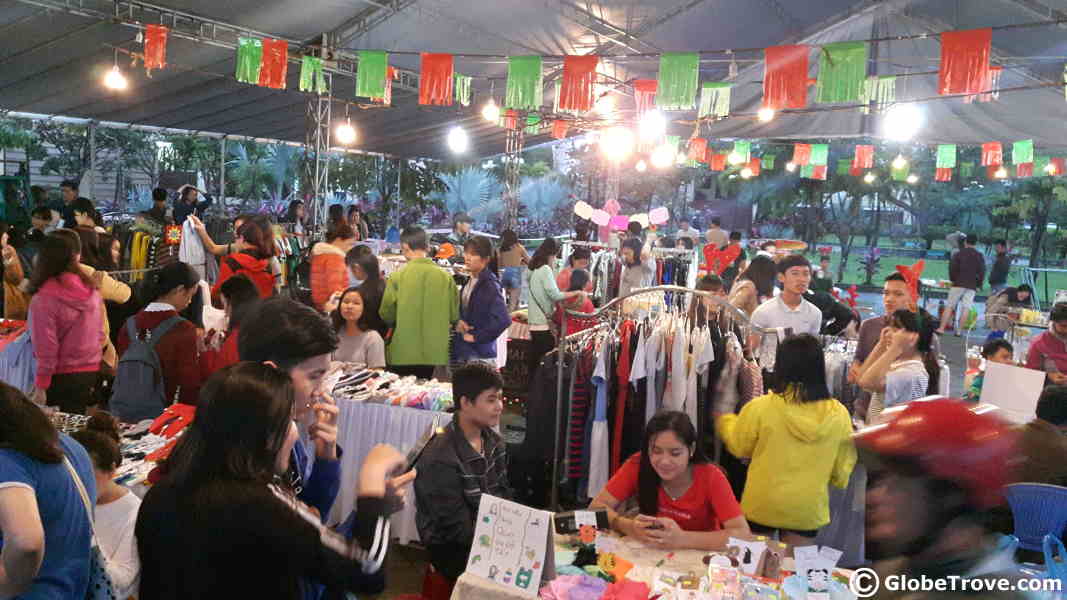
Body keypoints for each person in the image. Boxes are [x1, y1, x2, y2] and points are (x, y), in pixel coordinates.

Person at [136, 362, 412, 599]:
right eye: (288, 419)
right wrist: (372, 489)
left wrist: (327, 460)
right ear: (265, 433)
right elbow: (366, 572)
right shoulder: (259, 503)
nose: (320, 392)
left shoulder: (161, 494)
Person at [855, 399, 1028, 600]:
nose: (872, 497)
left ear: (951, 499)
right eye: (880, 480)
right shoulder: (895, 572)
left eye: (899, 483)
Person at [714, 334, 855, 548]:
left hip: (763, 502)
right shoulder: (839, 414)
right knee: (794, 573)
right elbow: (842, 468)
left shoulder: (762, 407)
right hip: (807, 507)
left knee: (754, 570)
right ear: (819, 367)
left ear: (781, 365)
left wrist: (724, 420)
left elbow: (739, 445)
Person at [238, 298, 345, 520]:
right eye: (314, 376)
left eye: (326, 375)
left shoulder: (285, 429)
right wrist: (373, 508)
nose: (321, 391)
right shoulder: (238, 453)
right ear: (271, 373)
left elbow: (311, 517)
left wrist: (326, 455)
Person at [591, 411, 749, 550]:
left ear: (691, 450)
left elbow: (742, 534)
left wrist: (682, 539)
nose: (664, 461)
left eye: (675, 453)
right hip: (650, 556)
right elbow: (594, 508)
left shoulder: (711, 476)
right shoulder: (638, 464)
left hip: (700, 559)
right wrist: (628, 526)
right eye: (656, 451)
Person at [0, 382, 95, 599]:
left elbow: (26, 542)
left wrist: (5, 589)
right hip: (71, 589)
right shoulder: (69, 446)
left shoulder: (7, 462)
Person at [415, 363, 509, 581]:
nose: (500, 406)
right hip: (452, 550)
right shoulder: (440, 456)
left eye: (500, 398)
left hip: (487, 536)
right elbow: (455, 530)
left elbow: (503, 494)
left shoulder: (494, 442)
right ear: (465, 402)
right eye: (491, 399)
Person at [27, 231, 104, 414]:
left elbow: (46, 347)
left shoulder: (44, 298)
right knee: (76, 431)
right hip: (90, 372)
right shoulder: (91, 289)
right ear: (76, 256)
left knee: (58, 436)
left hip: (60, 377)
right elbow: (99, 334)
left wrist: (41, 385)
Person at [70, 413, 141, 600]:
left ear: (110, 470)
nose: (79, 484)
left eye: (86, 475)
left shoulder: (134, 512)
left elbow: (125, 579)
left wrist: (88, 541)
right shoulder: (70, 499)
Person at [115, 262, 204, 408]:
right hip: (161, 415)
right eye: (191, 295)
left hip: (125, 409)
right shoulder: (184, 329)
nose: (190, 301)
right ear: (180, 290)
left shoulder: (129, 324)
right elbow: (189, 384)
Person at [379, 226, 458, 379]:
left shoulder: (397, 277)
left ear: (405, 247)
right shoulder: (446, 277)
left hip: (402, 350)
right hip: (432, 352)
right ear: (427, 247)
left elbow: (386, 313)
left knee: (398, 396)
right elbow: (454, 315)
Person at [856, 309, 940, 425]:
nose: (888, 333)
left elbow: (867, 382)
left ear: (913, 337)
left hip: (888, 437)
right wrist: (881, 344)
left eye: (896, 329)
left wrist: (894, 349)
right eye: (889, 327)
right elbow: (860, 378)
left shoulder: (911, 373)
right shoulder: (899, 363)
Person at [526, 237, 585, 376]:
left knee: (535, 361)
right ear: (553, 253)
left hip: (534, 322)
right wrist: (576, 292)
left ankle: (534, 390)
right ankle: (540, 391)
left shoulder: (533, 269)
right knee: (544, 364)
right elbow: (555, 295)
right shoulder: (545, 269)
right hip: (543, 324)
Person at [749, 255, 822, 365]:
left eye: (806, 274)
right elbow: (752, 352)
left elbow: (812, 350)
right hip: (769, 374)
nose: (801, 279)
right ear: (781, 277)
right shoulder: (763, 312)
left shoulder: (815, 313)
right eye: (795, 273)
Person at [453, 236, 510, 366]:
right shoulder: (471, 280)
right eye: (466, 252)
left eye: (473, 254)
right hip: (466, 350)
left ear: (485, 259)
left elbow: (503, 320)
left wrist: (477, 337)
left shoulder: (489, 284)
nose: (467, 257)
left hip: (480, 354)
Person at [201, 274, 260, 377]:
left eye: (224, 304)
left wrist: (206, 351)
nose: (225, 312)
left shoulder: (237, 338)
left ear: (232, 303)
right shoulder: (260, 325)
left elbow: (218, 375)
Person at [212, 215, 277, 301]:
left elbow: (219, 295)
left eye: (236, 238)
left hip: (237, 312)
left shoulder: (231, 263)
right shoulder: (267, 263)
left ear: (242, 238)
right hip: (263, 312)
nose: (235, 242)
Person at [939, 234, 985, 335]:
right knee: (966, 308)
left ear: (965, 242)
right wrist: (979, 285)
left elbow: (952, 268)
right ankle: (959, 331)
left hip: (958, 283)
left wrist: (953, 279)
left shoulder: (958, 254)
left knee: (949, 306)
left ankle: (941, 328)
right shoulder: (979, 255)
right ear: (976, 243)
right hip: (972, 285)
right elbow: (982, 271)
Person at [330, 287, 386, 368]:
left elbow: (377, 372)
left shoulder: (373, 338)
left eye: (356, 303)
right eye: (345, 302)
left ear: (365, 308)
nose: (349, 306)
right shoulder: (334, 333)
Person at [311, 222, 358, 312]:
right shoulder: (335, 257)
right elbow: (335, 291)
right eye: (349, 244)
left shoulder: (321, 254)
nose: (350, 248)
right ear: (339, 240)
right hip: (330, 308)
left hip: (319, 305)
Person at [1025, 301, 1067, 385]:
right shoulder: (1039, 343)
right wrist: (1048, 375)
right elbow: (1030, 373)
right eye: (1063, 326)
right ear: (1053, 322)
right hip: (1053, 391)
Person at [963, 338, 1015, 403]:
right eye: (1005, 357)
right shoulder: (981, 381)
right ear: (989, 358)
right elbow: (968, 402)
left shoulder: (1006, 380)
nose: (1010, 361)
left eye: (1011, 358)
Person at [556, 269, 596, 336]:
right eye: (588, 281)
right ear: (585, 283)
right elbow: (592, 324)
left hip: (564, 337)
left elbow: (558, 319)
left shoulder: (562, 299)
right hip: (580, 338)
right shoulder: (586, 302)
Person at [2, 227, 29, 320]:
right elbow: (16, 278)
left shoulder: (8, 250)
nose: (7, 236)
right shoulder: (7, 251)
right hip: (7, 299)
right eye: (4, 233)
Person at [498, 229, 529, 311]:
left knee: (513, 303)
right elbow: (529, 261)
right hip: (515, 274)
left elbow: (499, 265)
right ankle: (510, 322)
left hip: (504, 274)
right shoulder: (519, 247)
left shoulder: (501, 249)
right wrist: (521, 262)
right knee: (512, 305)